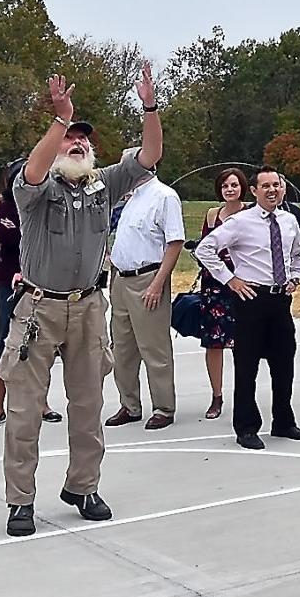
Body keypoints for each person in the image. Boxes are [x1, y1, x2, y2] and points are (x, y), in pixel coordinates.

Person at [2, 66, 161, 537]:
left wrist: (149, 107)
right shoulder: (34, 190)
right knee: (26, 408)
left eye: (81, 139)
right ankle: (20, 500)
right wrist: (59, 118)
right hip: (38, 309)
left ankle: (83, 486)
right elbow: (32, 170)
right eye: (69, 138)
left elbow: (150, 155)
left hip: (90, 308)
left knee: (89, 404)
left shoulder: (104, 185)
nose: (76, 142)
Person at [193, 166, 300, 451]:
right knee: (247, 366)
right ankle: (246, 427)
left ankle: (283, 421)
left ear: (282, 189)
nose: (272, 190)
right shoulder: (240, 222)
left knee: (284, 363)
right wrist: (230, 280)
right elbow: (205, 249)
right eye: (265, 186)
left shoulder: (289, 220)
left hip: (280, 299)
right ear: (255, 191)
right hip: (250, 299)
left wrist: (296, 274)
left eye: (276, 185)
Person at [104, 157, 184, 431]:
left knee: (154, 347)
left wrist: (158, 283)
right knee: (122, 348)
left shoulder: (164, 197)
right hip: (121, 279)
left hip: (147, 277)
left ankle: (163, 407)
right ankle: (129, 404)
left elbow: (175, 243)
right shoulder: (129, 199)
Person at [0, 161, 61, 429]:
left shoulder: (50, 206)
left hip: (44, 282)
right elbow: (12, 237)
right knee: (5, 342)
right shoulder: (4, 207)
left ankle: (42, 403)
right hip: (10, 282)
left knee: (42, 344)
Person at [197, 168, 250, 419]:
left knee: (245, 341)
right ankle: (216, 395)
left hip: (244, 283)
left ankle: (244, 394)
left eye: (234, 185)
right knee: (214, 341)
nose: (230, 190)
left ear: (243, 187)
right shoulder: (212, 215)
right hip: (215, 284)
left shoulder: (251, 213)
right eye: (225, 186)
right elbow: (204, 246)